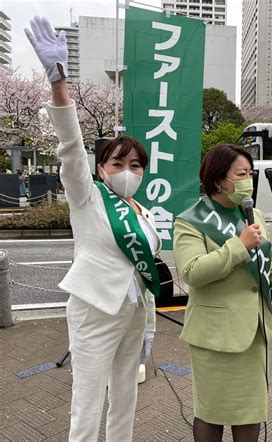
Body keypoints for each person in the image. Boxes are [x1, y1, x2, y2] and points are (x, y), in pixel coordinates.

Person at [25, 16, 159, 441]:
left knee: (126, 397)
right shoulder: (87, 196)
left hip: (134, 312)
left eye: (135, 165)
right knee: (87, 401)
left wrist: (150, 321)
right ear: (101, 169)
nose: (127, 170)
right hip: (94, 311)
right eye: (117, 163)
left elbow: (145, 267)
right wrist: (59, 83)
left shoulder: (143, 212)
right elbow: (69, 148)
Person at [173, 144, 272, 442]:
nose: (249, 180)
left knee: (250, 411)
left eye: (251, 173)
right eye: (242, 174)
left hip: (254, 332)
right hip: (215, 337)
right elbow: (193, 272)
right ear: (219, 179)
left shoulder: (252, 213)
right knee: (212, 412)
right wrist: (238, 245)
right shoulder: (191, 219)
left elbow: (264, 264)